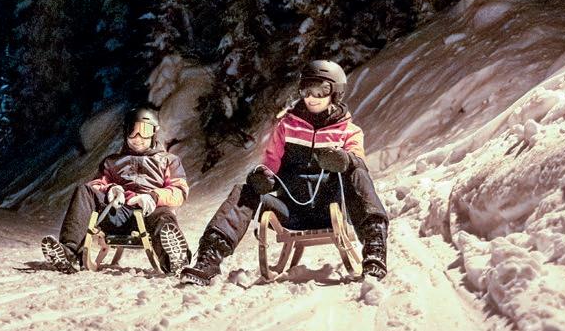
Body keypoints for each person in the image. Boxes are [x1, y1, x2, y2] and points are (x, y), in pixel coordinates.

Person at [180, 60, 389, 285]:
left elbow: (358, 161)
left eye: (321, 90)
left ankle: (374, 249)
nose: (311, 97)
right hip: (290, 211)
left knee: (357, 172)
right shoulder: (287, 127)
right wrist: (262, 177)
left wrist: (345, 159)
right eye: (306, 89)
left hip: (332, 208)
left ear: (336, 92)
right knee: (244, 191)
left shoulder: (349, 131)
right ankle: (208, 259)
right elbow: (270, 164)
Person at [41, 107, 192, 274]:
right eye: (132, 131)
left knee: (164, 217)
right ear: (125, 132)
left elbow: (180, 191)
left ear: (154, 133)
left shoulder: (168, 161)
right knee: (84, 190)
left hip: (150, 213)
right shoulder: (112, 162)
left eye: (144, 131)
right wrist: (111, 189)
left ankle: (174, 259)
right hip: (118, 214)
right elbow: (97, 184)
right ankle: (70, 252)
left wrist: (153, 197)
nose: (138, 138)